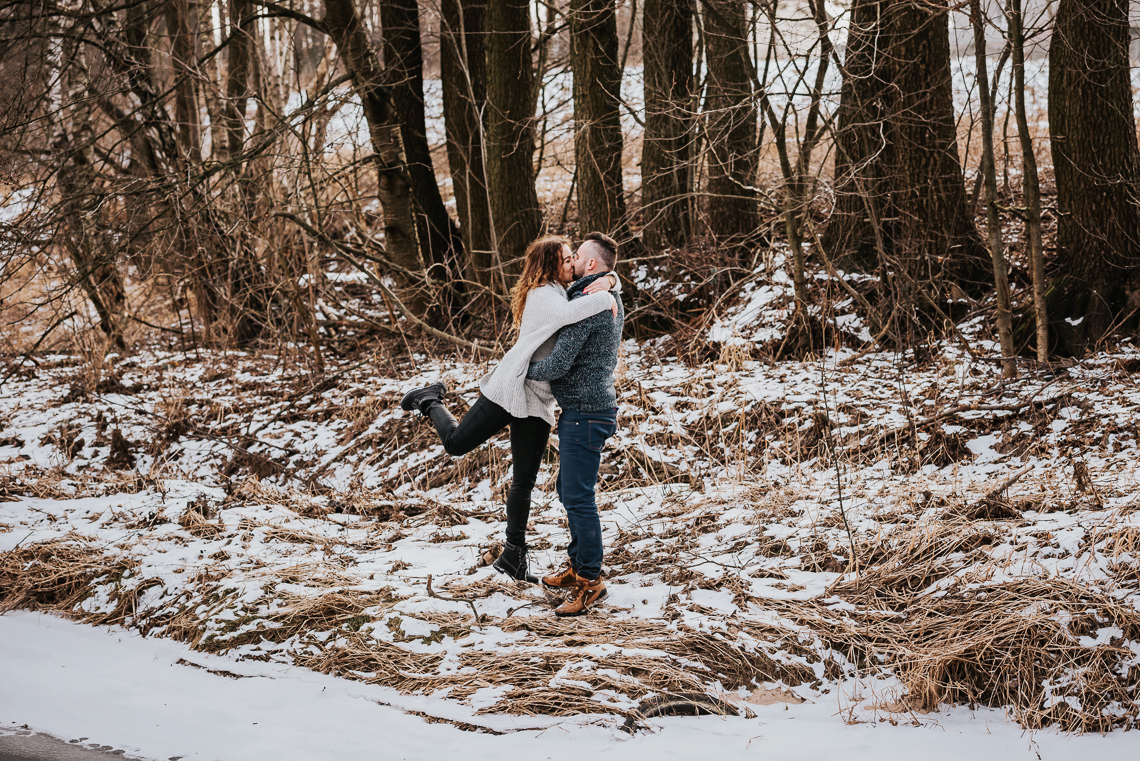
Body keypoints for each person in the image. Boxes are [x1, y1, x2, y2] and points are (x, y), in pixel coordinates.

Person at [399, 235, 619, 584]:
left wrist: (611, 279)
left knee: (524, 481)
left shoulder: (565, 290)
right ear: (550, 265)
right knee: (456, 444)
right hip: (510, 386)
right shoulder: (544, 295)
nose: (570, 263)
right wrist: (609, 291)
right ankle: (429, 399)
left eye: (572, 258)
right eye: (565, 259)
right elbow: (570, 313)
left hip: (537, 399)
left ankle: (513, 555)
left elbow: (584, 292)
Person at [526, 232, 624, 617]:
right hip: (585, 410)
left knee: (579, 498)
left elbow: (558, 363)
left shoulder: (590, 302)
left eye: (576, 257)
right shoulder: (604, 292)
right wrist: (614, 280)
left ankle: (590, 581)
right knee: (570, 493)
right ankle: (577, 565)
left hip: (586, 413)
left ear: (592, 265)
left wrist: (520, 368)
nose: (570, 262)